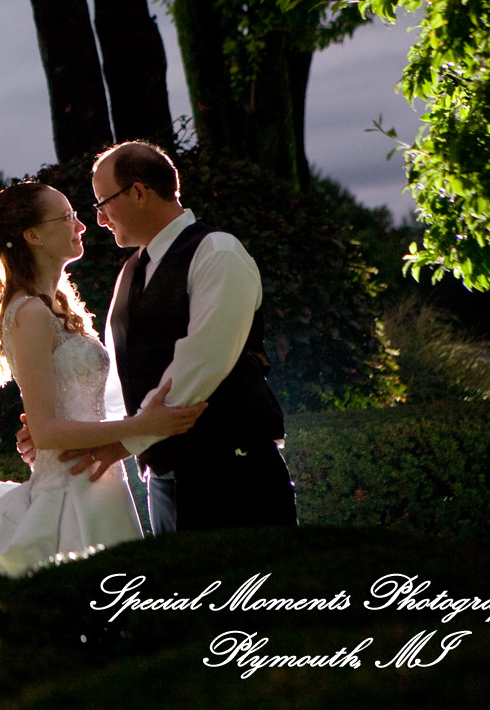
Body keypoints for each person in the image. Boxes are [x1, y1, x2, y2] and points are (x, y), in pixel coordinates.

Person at [21, 141, 296, 534]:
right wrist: (65, 428)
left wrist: (123, 443)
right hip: (164, 482)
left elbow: (199, 367)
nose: (99, 220)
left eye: (102, 203)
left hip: (234, 475)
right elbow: (122, 379)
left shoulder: (217, 253)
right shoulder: (131, 272)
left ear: (138, 192)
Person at [0, 180, 205, 576]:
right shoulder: (29, 313)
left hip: (99, 480)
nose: (81, 225)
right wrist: (140, 427)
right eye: (66, 218)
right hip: (70, 490)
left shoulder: (57, 306)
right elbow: (46, 431)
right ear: (32, 236)